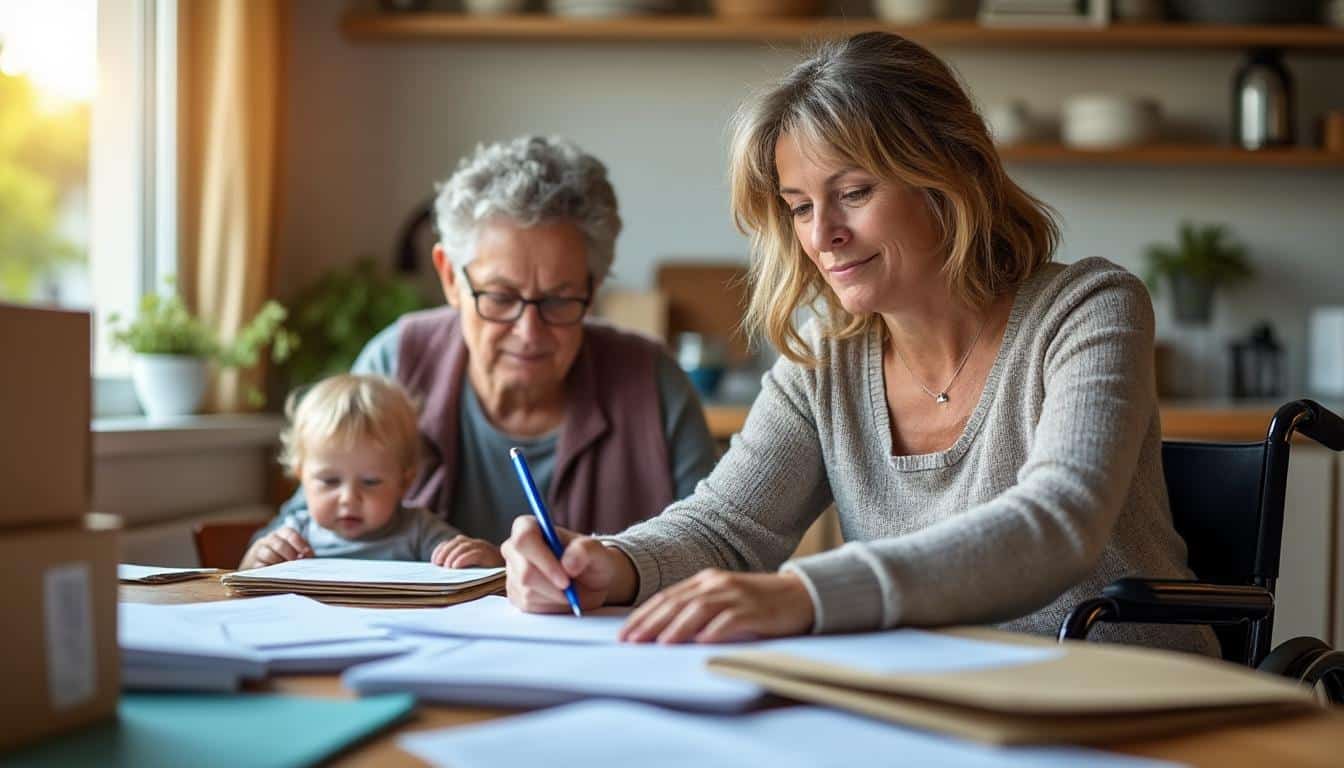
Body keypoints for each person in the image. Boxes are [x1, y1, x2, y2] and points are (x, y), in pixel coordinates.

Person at [501, 32, 1218, 657]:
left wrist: (808, 594)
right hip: (945, 705)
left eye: (853, 193)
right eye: (800, 207)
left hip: (1136, 702)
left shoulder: (1088, 307)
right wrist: (611, 563)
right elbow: (727, 529)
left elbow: (1057, 524)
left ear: (947, 176)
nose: (822, 236)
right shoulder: (827, 360)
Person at [253, 135, 718, 569]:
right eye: (500, 297)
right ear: (450, 277)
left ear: (592, 288)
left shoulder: (653, 384)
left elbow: (714, 549)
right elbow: (301, 530)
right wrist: (270, 554)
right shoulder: (397, 363)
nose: (528, 332)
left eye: (559, 300)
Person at [240, 374, 466, 569]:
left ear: (404, 482)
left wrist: (473, 560)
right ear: (302, 477)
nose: (348, 498)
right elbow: (244, 579)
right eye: (330, 481)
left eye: (370, 481)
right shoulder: (294, 534)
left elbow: (467, 572)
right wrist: (255, 561)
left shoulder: (420, 531)